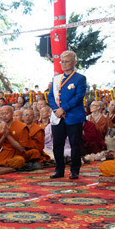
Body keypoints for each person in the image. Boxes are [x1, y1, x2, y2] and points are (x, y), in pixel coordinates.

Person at [47, 50, 87, 179]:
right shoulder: (56, 79)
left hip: (73, 116)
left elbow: (78, 96)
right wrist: (56, 110)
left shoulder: (80, 78)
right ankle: (59, 170)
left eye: (67, 61)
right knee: (57, 144)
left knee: (75, 144)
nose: (64, 64)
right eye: (62, 61)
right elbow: (50, 96)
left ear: (74, 62)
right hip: (58, 117)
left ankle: (74, 170)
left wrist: (63, 109)